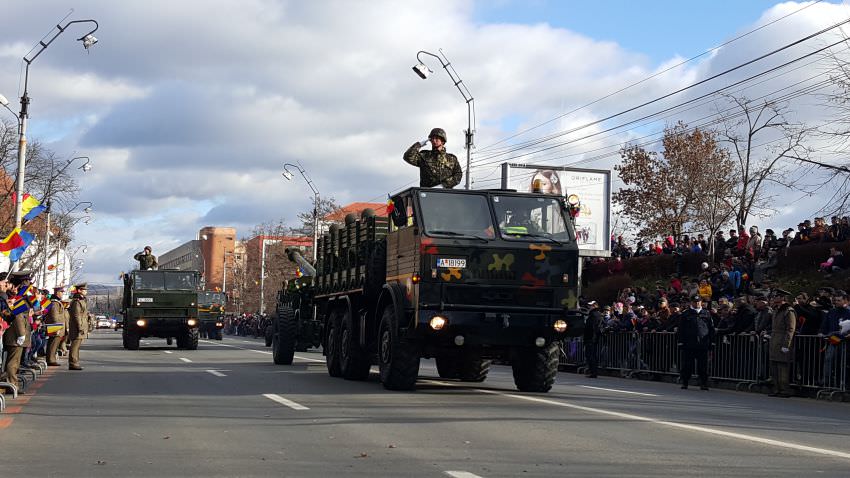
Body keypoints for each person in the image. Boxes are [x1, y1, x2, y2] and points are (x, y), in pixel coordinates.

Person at [677, 295, 715, 390]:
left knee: (703, 365)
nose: (697, 303)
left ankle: (703, 383)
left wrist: (712, 341)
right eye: (695, 301)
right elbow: (681, 329)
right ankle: (685, 382)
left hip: (702, 343)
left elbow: (711, 328)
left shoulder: (706, 313)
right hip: (689, 343)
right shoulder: (686, 314)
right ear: (691, 302)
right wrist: (681, 341)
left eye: (698, 301)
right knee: (687, 364)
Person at [768, 290, 796, 397]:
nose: (774, 298)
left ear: (782, 298)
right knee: (774, 366)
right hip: (774, 340)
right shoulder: (776, 310)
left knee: (782, 367)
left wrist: (786, 344)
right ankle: (776, 389)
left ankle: (784, 390)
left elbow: (790, 329)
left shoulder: (788, 311)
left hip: (782, 340)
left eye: (777, 296)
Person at [45, 286, 69, 366]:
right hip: (55, 326)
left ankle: (52, 359)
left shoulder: (57, 302)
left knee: (55, 343)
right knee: (53, 343)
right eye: (61, 292)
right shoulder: (54, 303)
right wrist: (57, 327)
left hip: (57, 326)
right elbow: (54, 316)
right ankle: (51, 360)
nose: (62, 294)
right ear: (57, 292)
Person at [68, 283, 90, 371]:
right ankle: (73, 363)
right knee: (75, 345)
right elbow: (77, 315)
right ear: (79, 290)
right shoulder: (77, 301)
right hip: (77, 326)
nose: (86, 291)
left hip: (81, 325)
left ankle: (75, 362)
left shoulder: (82, 300)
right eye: (84, 290)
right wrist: (80, 327)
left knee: (77, 345)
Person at [583, 301, 604, 378]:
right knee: (592, 355)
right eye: (589, 305)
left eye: (591, 306)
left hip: (591, 338)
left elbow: (593, 327)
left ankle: (593, 372)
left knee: (590, 355)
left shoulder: (594, 315)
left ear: (595, 306)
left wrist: (592, 337)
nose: (589, 307)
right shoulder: (596, 314)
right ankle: (593, 371)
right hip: (592, 337)